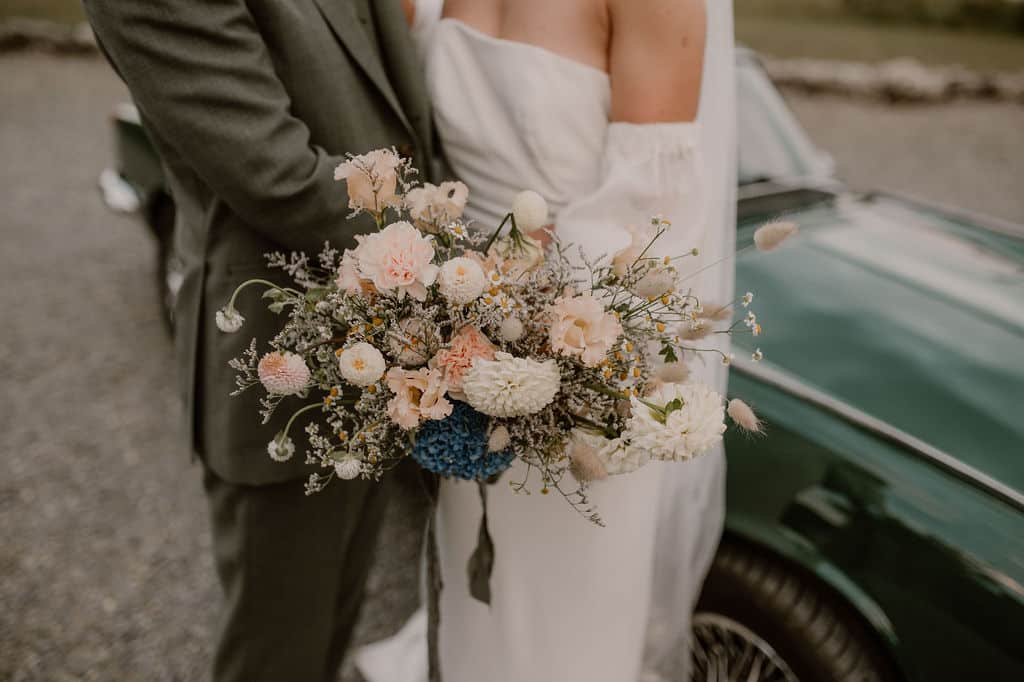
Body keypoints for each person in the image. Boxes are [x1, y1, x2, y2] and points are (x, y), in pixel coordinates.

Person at [356, 1, 738, 680]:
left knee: (563, 640)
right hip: (458, 356)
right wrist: (446, 311)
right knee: (473, 601)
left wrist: (525, 328)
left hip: (583, 376)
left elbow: (655, 214)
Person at [81, 2, 440, 681]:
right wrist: (456, 238)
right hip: (285, 359)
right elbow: (281, 177)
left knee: (336, 617)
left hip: (382, 338)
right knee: (278, 650)